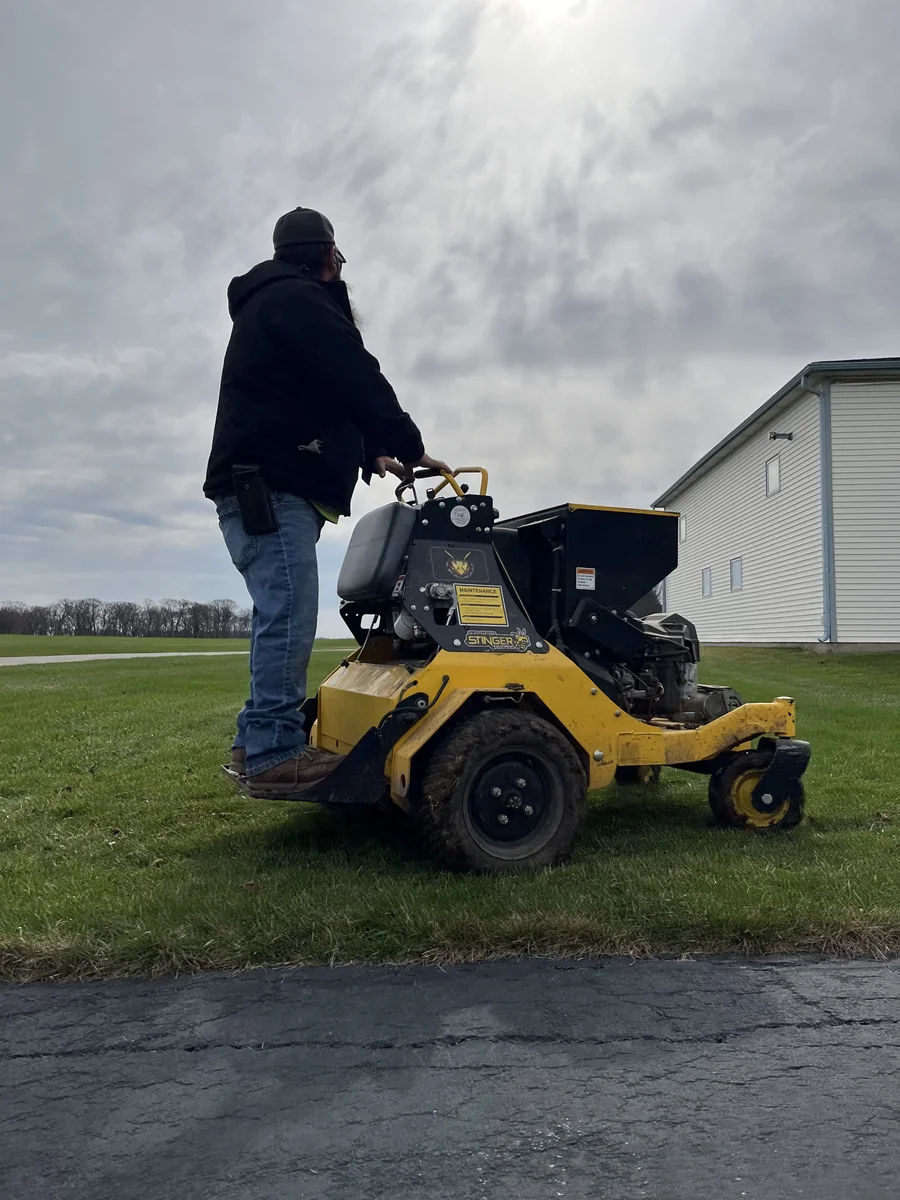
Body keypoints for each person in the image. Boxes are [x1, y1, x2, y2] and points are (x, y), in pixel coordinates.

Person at [203, 207, 448, 794]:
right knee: (286, 614)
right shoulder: (299, 301)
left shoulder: (276, 304)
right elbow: (353, 377)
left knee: (279, 613)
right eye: (337, 259)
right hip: (268, 490)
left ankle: (254, 737)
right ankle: (271, 752)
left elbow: (313, 393)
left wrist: (369, 455)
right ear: (327, 257)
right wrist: (408, 445)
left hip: (261, 487)